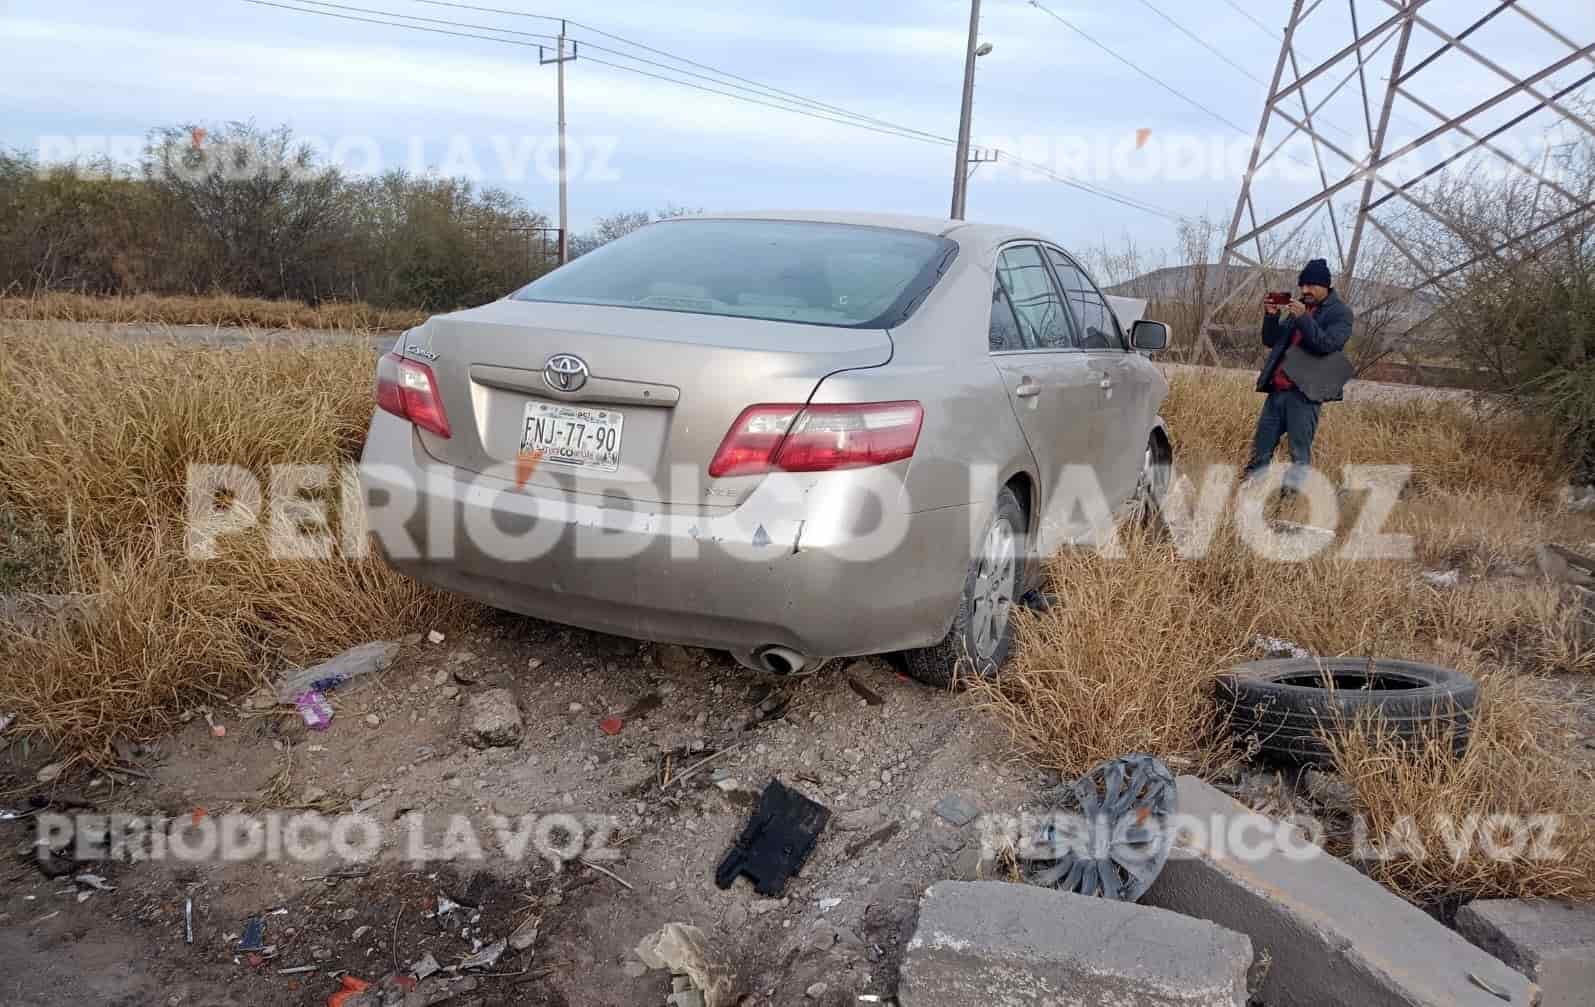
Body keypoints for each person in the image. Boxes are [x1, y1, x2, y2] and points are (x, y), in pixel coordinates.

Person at [1243, 257, 1355, 492]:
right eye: (1302, 285)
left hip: (1305, 395)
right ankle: (1249, 494)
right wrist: (1271, 316)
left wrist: (1304, 317)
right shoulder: (1300, 309)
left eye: (1311, 285)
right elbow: (1272, 341)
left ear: (1326, 286)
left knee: (1298, 456)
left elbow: (1326, 345)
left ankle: (1289, 506)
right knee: (1261, 450)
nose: (1305, 290)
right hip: (1277, 391)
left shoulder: (1341, 313)